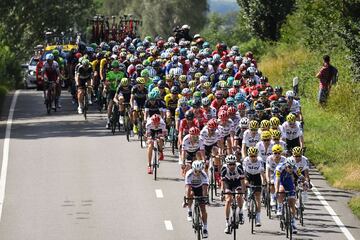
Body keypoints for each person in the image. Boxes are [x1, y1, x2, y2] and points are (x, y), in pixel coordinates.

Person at [183, 160, 209, 238]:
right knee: (190, 194)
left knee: (203, 208)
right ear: (193, 169)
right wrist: (187, 200)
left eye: (199, 171)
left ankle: (205, 227)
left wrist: (204, 198)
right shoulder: (189, 174)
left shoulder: (204, 175)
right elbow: (188, 188)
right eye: (196, 171)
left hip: (200, 188)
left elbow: (204, 189)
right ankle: (189, 210)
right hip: (192, 188)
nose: (197, 173)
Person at [221, 154, 246, 234]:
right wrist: (222, 191)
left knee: (239, 195)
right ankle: (227, 222)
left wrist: (244, 192)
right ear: (227, 164)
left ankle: (241, 212)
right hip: (228, 183)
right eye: (230, 164)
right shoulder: (224, 168)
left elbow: (242, 182)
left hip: (237, 181)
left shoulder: (239, 168)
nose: (232, 166)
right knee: (228, 200)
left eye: (233, 164)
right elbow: (223, 182)